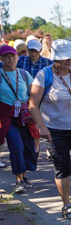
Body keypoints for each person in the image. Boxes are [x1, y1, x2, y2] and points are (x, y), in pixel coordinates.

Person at [28, 40, 71, 219]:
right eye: (64, 58)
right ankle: (66, 204)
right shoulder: (44, 75)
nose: (69, 61)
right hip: (54, 129)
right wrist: (42, 127)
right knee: (62, 168)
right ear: (55, 59)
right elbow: (33, 105)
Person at [0, 45, 38, 193]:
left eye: (13, 56)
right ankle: (18, 180)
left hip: (24, 115)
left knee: (28, 146)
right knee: (16, 146)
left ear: (17, 57)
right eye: (7, 56)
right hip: (7, 116)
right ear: (1, 59)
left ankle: (24, 176)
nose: (10, 59)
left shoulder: (24, 74)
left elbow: (33, 94)